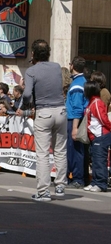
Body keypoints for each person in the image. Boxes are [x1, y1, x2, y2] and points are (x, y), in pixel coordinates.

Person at [19, 39, 67, 202]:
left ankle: (43, 191)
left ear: (33, 54)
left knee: (42, 153)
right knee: (60, 150)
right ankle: (60, 185)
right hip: (60, 110)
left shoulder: (31, 71)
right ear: (49, 53)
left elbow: (26, 94)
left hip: (44, 111)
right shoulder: (56, 67)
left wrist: (27, 105)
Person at [83, 81, 110, 192]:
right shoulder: (92, 102)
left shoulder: (96, 103)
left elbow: (103, 119)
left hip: (100, 135)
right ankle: (95, 181)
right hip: (95, 136)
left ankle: (101, 183)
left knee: (99, 160)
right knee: (95, 160)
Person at [66, 56, 88, 189]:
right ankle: (77, 177)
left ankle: (78, 178)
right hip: (76, 119)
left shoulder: (77, 84)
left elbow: (77, 108)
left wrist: (74, 127)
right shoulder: (80, 81)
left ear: (72, 66)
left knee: (75, 150)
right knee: (75, 149)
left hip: (75, 120)